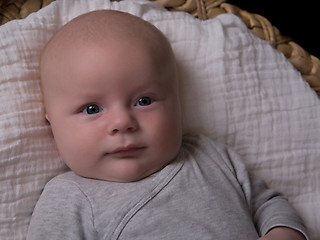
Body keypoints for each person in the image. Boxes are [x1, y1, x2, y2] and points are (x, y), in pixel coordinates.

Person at [27, 10, 309, 240]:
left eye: (144, 101)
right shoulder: (69, 198)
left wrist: (282, 231)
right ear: (51, 122)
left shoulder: (212, 156)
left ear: (176, 102)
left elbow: (267, 203)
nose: (123, 122)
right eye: (92, 109)